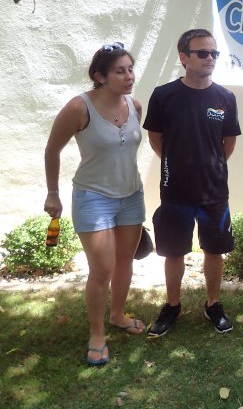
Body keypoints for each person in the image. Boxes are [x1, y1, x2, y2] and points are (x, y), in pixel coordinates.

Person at [44, 42, 146, 366]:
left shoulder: (135, 105)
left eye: (130, 69)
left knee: (125, 262)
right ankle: (97, 332)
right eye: (120, 71)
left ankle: (117, 314)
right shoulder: (79, 107)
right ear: (100, 76)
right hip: (93, 197)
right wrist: (52, 193)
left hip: (131, 195)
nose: (129, 76)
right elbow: (52, 149)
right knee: (102, 269)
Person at [143, 29, 241, 336]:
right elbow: (156, 138)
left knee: (214, 250)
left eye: (214, 53)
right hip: (175, 191)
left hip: (214, 191)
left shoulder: (225, 97)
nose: (210, 58)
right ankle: (173, 305)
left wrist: (210, 165)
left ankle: (213, 304)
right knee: (174, 252)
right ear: (184, 57)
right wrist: (176, 163)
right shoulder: (164, 95)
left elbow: (228, 142)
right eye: (202, 53)